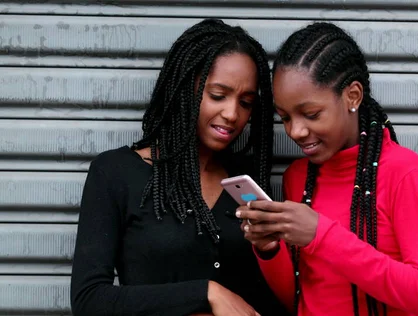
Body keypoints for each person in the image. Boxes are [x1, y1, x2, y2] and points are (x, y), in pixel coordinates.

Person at [70, 19, 288, 316]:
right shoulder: (115, 173)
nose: (232, 113)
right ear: (186, 88)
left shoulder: (245, 180)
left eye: (246, 102)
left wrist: (269, 252)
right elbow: (90, 300)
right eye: (218, 95)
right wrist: (205, 292)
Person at [236, 22, 418, 316]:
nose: (295, 131)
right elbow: (298, 299)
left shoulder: (404, 173)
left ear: (352, 96)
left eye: (311, 114)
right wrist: (269, 249)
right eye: (284, 117)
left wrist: (321, 235)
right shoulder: (298, 178)